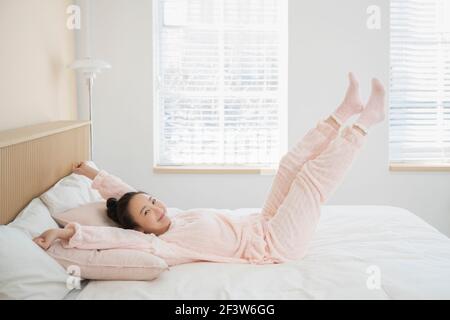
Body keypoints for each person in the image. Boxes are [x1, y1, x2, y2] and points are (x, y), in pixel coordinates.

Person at [33, 73, 385, 266]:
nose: (157, 208)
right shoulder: (163, 246)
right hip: (277, 246)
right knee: (309, 182)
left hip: (263, 223)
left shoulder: (173, 217)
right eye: (147, 213)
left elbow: (127, 197)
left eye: (153, 202)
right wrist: (65, 234)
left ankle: (343, 112)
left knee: (289, 165)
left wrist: (93, 175)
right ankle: (365, 123)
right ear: (141, 230)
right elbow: (112, 236)